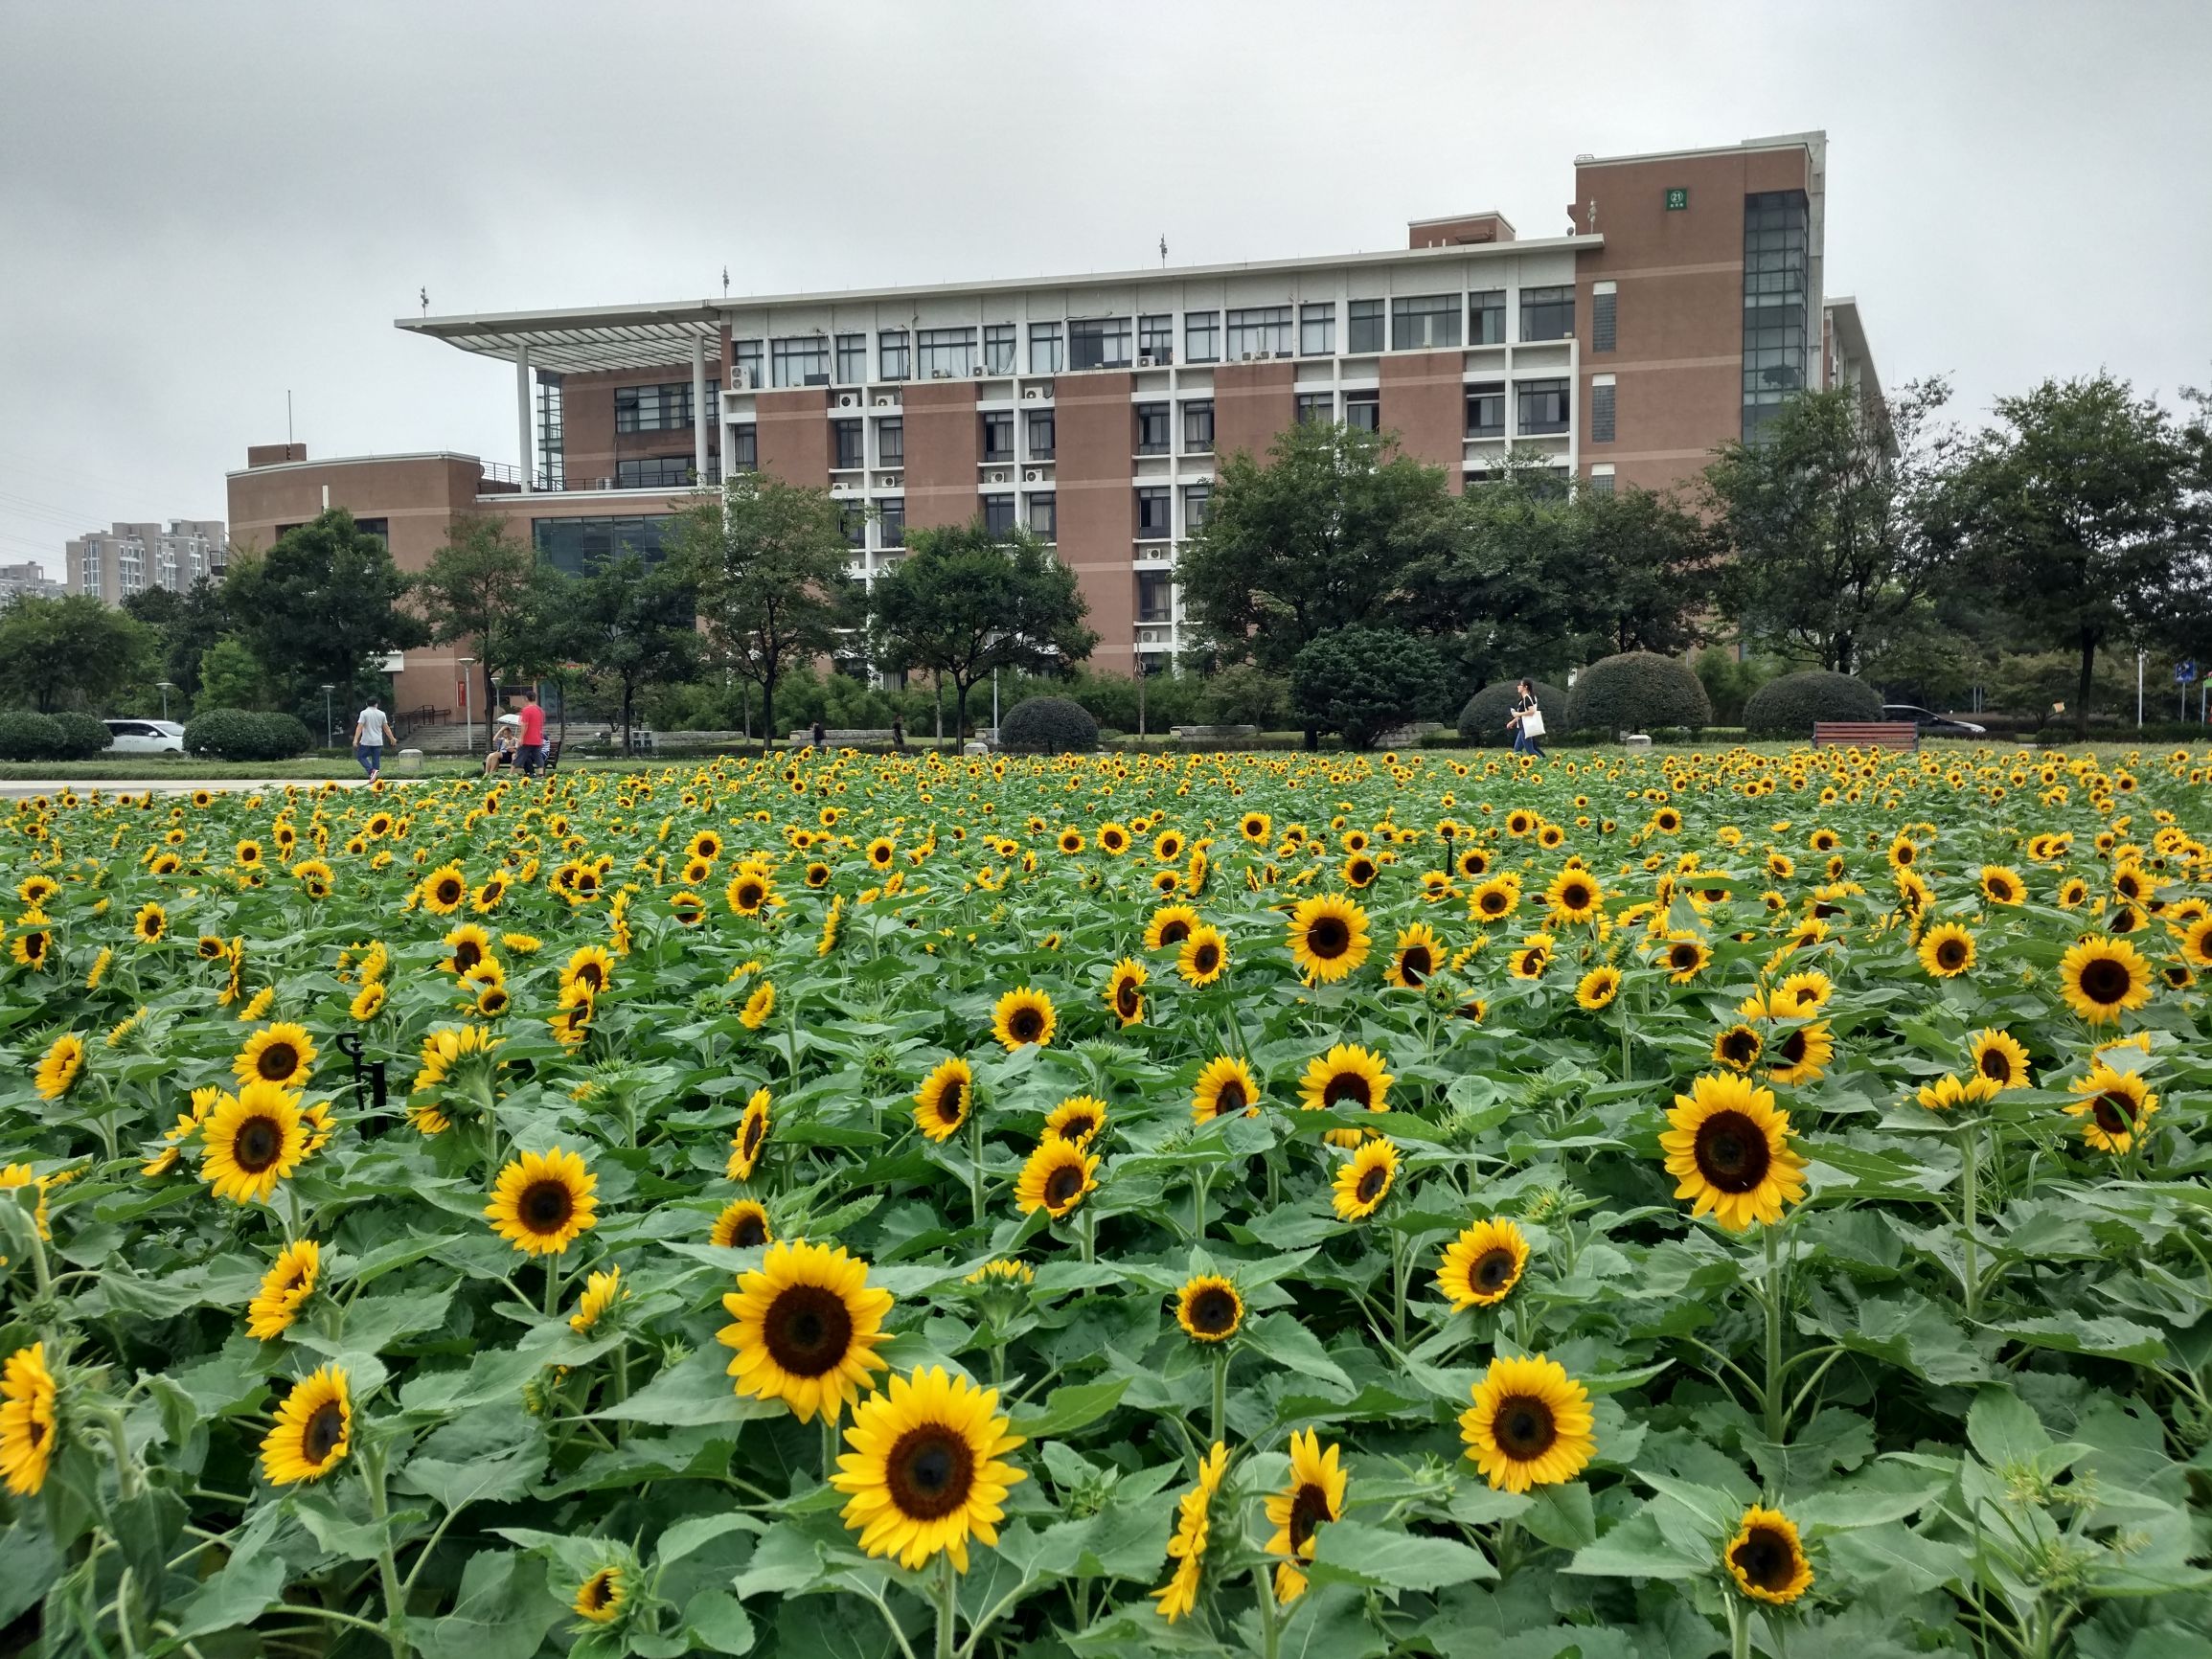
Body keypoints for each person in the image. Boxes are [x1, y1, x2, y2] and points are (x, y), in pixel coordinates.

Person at [352, 695, 391, 782]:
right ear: (376, 704)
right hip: (378, 740)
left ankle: (371, 771)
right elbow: (386, 728)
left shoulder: (364, 713)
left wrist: (355, 739)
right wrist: (392, 738)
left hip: (367, 740)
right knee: (375, 759)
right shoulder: (381, 714)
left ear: (366, 704)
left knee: (361, 756)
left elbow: (360, 727)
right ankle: (374, 778)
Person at [1507, 678, 1546, 761]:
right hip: (1522, 726)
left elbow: (1532, 711)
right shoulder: (1524, 699)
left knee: (1530, 750)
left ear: (1525, 687)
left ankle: (1542, 761)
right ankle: (1519, 766)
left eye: (1520, 685)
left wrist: (1517, 714)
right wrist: (1513, 721)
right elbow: (1525, 713)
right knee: (1517, 749)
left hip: (1525, 727)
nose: (1518, 686)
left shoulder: (1527, 698)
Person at [514, 690, 547, 777]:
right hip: (537, 738)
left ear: (526, 699)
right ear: (535, 698)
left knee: (520, 755)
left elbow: (525, 725)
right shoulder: (541, 711)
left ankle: (511, 774)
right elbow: (541, 724)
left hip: (527, 739)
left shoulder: (526, 710)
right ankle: (541, 774)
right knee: (538, 757)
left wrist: (521, 737)